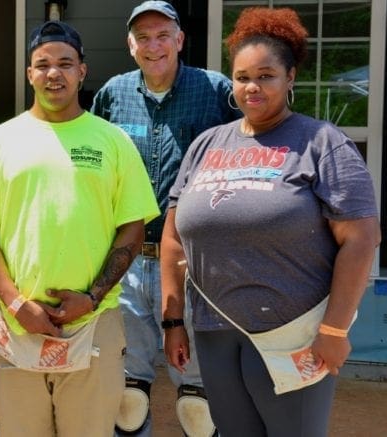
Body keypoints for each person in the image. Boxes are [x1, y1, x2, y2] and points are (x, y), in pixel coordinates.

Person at [160, 7, 381, 436]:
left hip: (293, 335)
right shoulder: (207, 145)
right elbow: (173, 239)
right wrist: (173, 323)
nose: (252, 87)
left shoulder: (321, 143)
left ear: (290, 77)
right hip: (214, 331)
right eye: (242, 77)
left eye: (266, 75)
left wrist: (335, 328)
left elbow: (361, 238)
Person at [0, 21, 159, 437]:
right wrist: (15, 303)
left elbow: (132, 231)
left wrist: (92, 296)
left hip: (93, 323)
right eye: (42, 64)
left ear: (82, 71)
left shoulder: (112, 140)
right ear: (29, 74)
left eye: (65, 63)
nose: (53, 73)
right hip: (15, 327)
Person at [90, 2, 241, 435]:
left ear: (179, 40)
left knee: (199, 403)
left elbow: (252, 145)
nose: (153, 46)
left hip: (195, 262)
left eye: (162, 35)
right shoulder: (112, 94)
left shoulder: (216, 90)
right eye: (143, 37)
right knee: (127, 397)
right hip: (128, 259)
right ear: (130, 45)